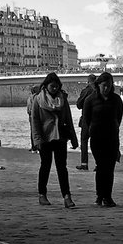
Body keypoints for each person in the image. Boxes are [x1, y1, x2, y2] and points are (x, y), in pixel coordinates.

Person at [31, 72, 78, 208]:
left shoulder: (62, 99)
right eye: (52, 86)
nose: (55, 89)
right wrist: (37, 140)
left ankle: (67, 196)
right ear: (46, 86)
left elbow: (68, 118)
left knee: (62, 167)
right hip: (45, 138)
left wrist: (74, 139)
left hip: (60, 137)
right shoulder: (38, 100)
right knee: (45, 166)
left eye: (57, 86)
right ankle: (42, 194)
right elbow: (35, 121)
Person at [82, 71, 123, 207]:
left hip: (112, 137)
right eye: (104, 85)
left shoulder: (116, 100)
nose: (106, 88)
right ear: (98, 85)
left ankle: (108, 196)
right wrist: (93, 130)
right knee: (101, 167)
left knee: (110, 168)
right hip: (97, 138)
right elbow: (87, 120)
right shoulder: (90, 100)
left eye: (109, 86)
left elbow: (119, 118)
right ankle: (99, 196)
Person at [75, 74, 96, 170]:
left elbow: (79, 105)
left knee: (84, 141)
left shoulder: (86, 91)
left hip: (86, 119)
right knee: (97, 143)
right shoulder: (99, 91)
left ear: (88, 81)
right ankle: (98, 164)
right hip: (97, 120)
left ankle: (84, 164)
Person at [26, 85, 40, 151]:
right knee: (38, 131)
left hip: (31, 116)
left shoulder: (29, 98)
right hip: (36, 116)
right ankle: (37, 146)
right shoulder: (37, 97)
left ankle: (33, 146)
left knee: (32, 132)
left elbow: (28, 109)